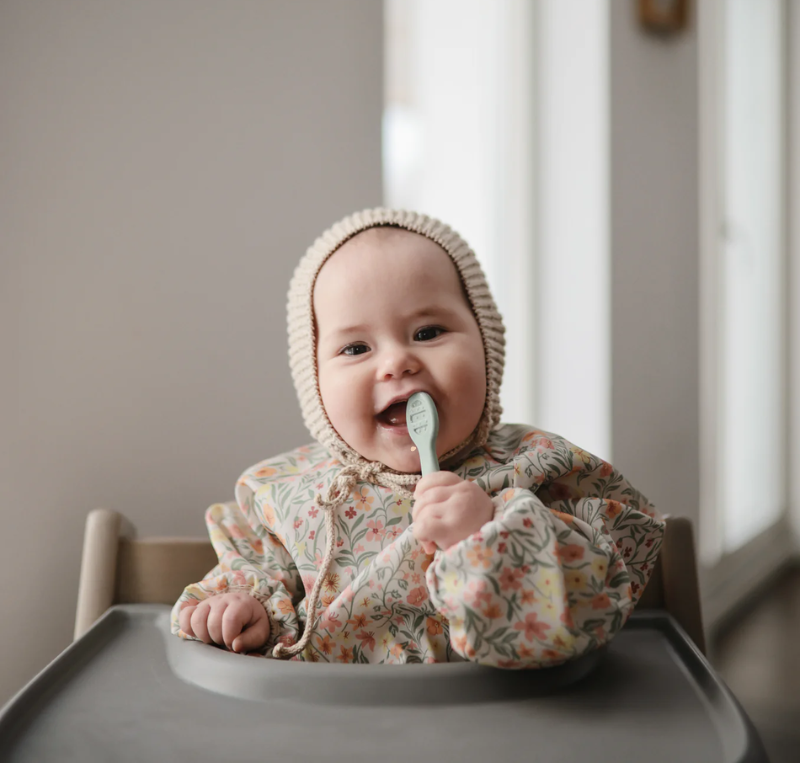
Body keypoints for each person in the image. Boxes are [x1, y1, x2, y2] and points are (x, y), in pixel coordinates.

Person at [171, 208, 664, 666]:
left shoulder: (543, 470)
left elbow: (579, 617)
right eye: (357, 347)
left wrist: (489, 533)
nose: (396, 362)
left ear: (487, 345)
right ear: (315, 383)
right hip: (328, 724)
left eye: (427, 333)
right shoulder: (283, 491)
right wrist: (246, 609)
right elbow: (254, 568)